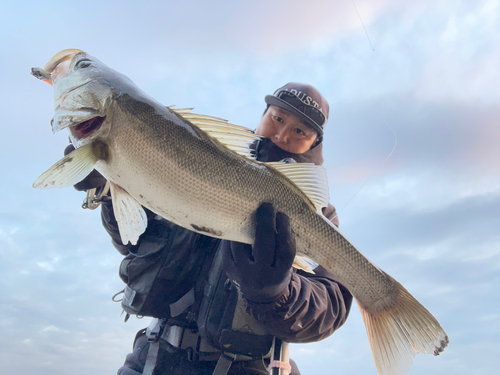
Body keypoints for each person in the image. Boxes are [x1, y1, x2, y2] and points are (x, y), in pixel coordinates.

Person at [70, 83, 352, 375]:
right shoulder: (197, 164)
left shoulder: (321, 216)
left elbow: (330, 306)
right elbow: (137, 240)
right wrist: (110, 190)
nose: (281, 136)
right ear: (263, 114)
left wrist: (275, 291)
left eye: (300, 132)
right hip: (152, 358)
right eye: (278, 119)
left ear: (314, 143)